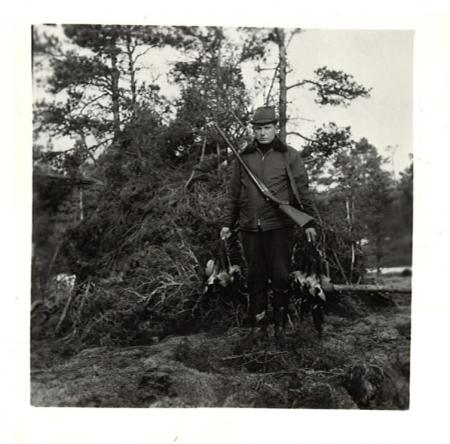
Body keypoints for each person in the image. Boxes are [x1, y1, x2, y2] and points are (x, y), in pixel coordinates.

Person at [220, 106, 317, 339]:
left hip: (279, 226)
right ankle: (259, 326)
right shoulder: (243, 157)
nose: (262, 133)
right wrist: (227, 224)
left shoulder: (289, 155)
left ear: (275, 128)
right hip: (250, 227)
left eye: (267, 128)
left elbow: (302, 190)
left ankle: (280, 327)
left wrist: (309, 222)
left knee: (281, 276)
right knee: (255, 278)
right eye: (258, 129)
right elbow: (234, 194)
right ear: (253, 130)